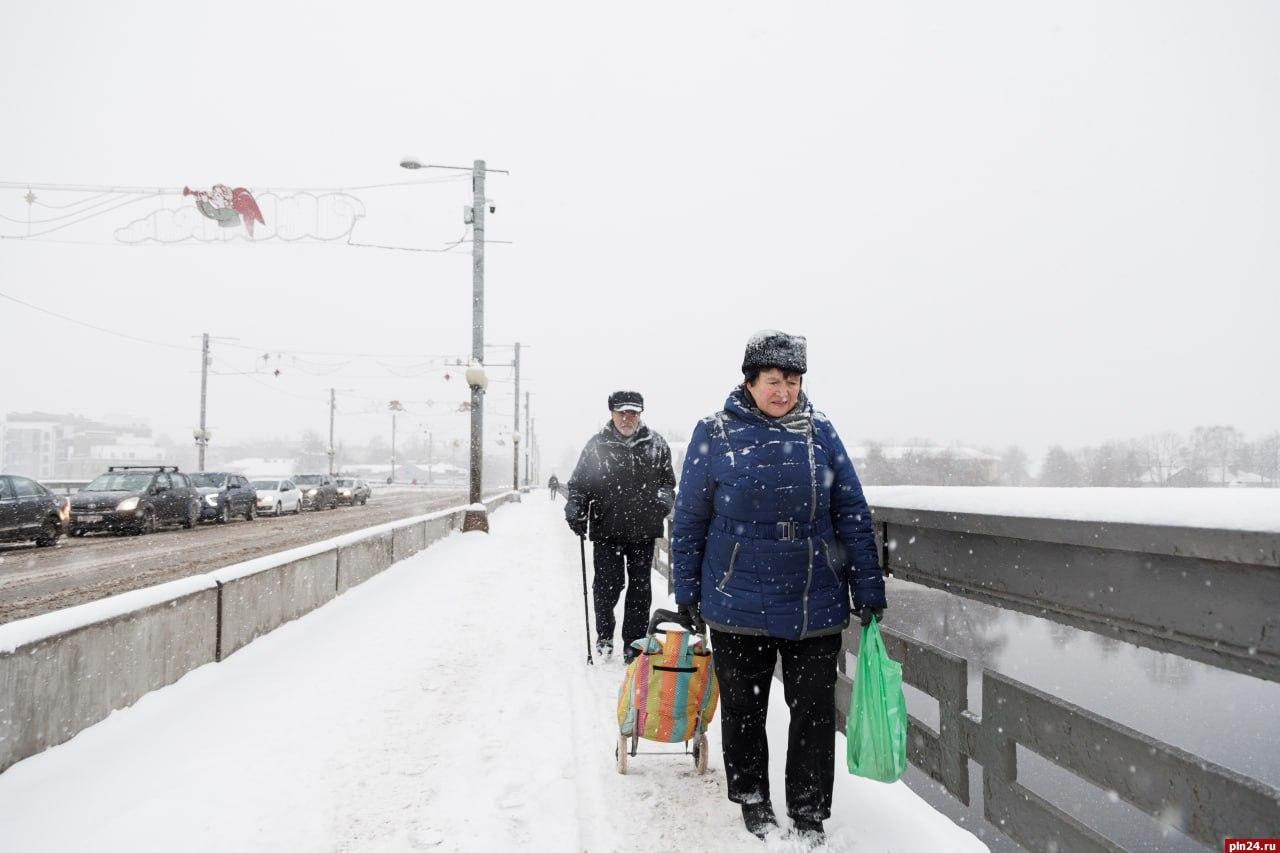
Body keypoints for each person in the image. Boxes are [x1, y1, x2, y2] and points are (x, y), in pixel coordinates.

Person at [672, 331, 887, 842]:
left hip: (814, 596)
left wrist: (868, 585)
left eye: (792, 381)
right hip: (737, 595)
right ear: (750, 383)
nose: (784, 391)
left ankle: (809, 810)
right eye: (774, 380)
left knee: (813, 710)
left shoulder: (821, 433)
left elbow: (851, 512)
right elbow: (689, 519)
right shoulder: (714, 433)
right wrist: (687, 591)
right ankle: (753, 799)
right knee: (746, 710)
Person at [565, 390, 676, 663]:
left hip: (643, 532)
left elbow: (667, 483)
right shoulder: (596, 446)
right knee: (607, 587)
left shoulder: (657, 445)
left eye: (633, 413)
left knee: (640, 591)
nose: (628, 418)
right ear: (612, 414)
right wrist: (575, 507)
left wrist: (661, 502)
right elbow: (579, 485)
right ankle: (604, 635)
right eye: (622, 413)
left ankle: (634, 644)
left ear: (640, 414)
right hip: (607, 531)